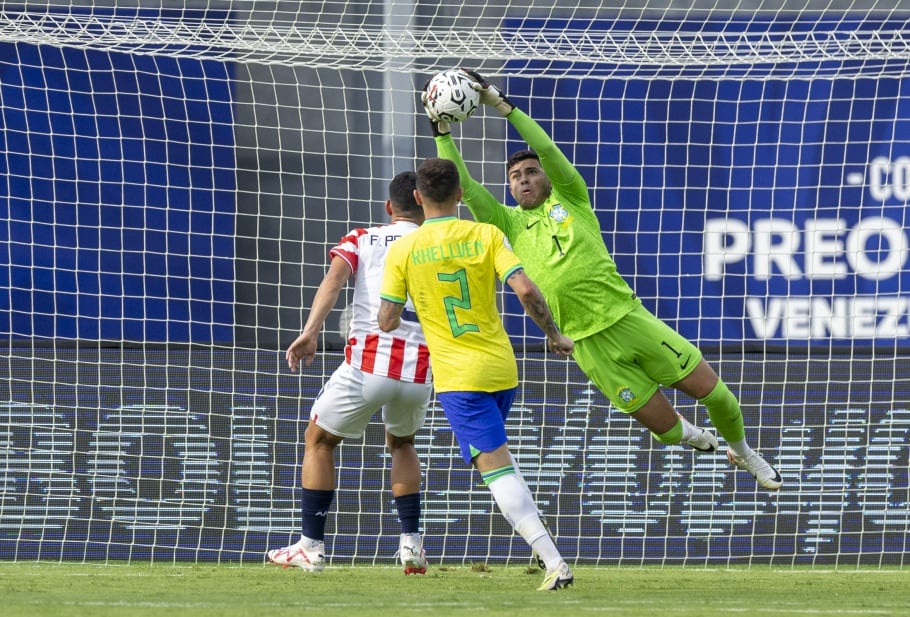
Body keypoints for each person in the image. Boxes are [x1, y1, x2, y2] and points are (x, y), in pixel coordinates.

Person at [421, 70, 782, 491]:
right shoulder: (506, 223)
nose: (524, 178)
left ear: (546, 177)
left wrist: (503, 106)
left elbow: (548, 148)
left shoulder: (571, 196)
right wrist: (441, 131)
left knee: (718, 395)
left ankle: (742, 451)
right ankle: (693, 436)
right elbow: (463, 183)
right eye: (516, 176)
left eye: (531, 171)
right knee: (666, 430)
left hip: (627, 317)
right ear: (509, 186)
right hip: (585, 344)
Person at [378, 157, 576, 591]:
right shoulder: (487, 234)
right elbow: (525, 289)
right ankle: (549, 553)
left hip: (459, 378)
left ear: (416, 197)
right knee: (501, 461)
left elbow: (387, 320)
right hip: (503, 370)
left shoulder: (404, 250)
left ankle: (554, 562)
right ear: (461, 194)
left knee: (496, 471)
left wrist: (416, 301)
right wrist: (555, 335)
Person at [267, 171, 433, 575]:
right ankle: (411, 544)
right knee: (402, 443)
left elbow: (334, 281)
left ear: (389, 207)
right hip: (420, 369)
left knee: (318, 440)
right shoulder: (439, 241)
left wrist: (310, 333)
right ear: (425, 206)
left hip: (369, 363)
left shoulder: (362, 237)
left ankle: (311, 546)